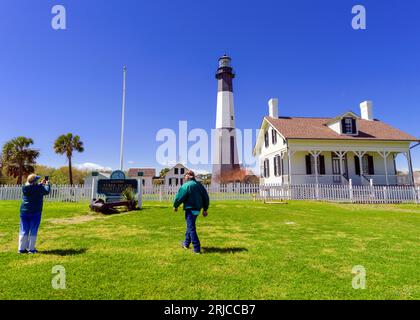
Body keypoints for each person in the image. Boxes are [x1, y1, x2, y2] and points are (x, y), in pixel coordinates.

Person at [173, 170, 209, 254]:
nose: (184, 177)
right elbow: (205, 197)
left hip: (190, 209)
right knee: (190, 226)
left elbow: (180, 197)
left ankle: (196, 248)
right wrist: (205, 209)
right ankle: (186, 243)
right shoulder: (200, 185)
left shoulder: (186, 185)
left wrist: (175, 206)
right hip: (197, 209)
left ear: (189, 176)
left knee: (191, 227)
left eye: (185, 176)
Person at [18, 174, 51, 254]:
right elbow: (46, 191)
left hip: (24, 211)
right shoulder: (38, 188)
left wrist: (40, 184)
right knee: (33, 230)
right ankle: (31, 249)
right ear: (35, 181)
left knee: (23, 230)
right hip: (35, 212)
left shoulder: (25, 188)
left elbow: (33, 187)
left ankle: (21, 249)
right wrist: (47, 184)